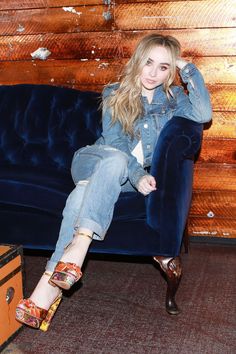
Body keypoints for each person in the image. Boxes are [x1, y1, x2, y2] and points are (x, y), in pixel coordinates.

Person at [15, 33, 212, 330]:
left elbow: (203, 113)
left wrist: (186, 67)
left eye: (163, 67)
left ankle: (49, 286)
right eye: (148, 63)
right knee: (114, 161)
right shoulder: (114, 92)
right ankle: (79, 249)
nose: (153, 73)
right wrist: (139, 174)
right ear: (137, 61)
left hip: (117, 182)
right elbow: (117, 145)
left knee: (81, 196)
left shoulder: (174, 101)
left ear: (170, 71)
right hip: (95, 161)